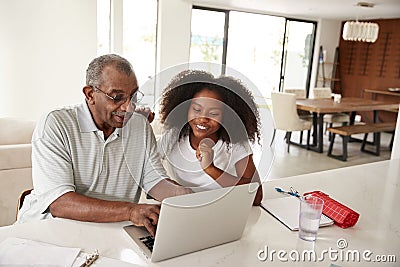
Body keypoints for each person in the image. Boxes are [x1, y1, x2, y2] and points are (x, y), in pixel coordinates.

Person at [17, 54, 191, 237]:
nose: (128, 107)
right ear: (90, 94)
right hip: (48, 232)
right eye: (117, 97)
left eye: (133, 97)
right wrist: (131, 211)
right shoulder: (56, 123)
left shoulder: (139, 126)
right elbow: (60, 203)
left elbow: (155, 180)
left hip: (109, 231)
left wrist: (184, 196)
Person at [158, 70, 263, 205]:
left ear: (226, 116)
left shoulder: (234, 144)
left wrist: (211, 169)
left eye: (213, 113)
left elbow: (257, 196)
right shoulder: (173, 136)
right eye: (196, 110)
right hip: (183, 208)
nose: (202, 119)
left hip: (222, 210)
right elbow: (145, 169)